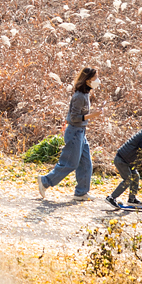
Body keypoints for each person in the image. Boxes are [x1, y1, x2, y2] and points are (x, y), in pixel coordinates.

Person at [37, 66, 101, 202]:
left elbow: (81, 114)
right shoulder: (79, 96)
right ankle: (45, 181)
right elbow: (74, 118)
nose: (98, 80)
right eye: (95, 78)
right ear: (87, 80)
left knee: (86, 163)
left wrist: (93, 112)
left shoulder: (86, 94)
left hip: (81, 132)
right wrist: (92, 115)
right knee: (70, 163)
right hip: (74, 132)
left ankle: (81, 193)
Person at [106, 114, 142, 208]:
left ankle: (132, 199)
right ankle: (111, 198)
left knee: (135, 176)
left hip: (128, 161)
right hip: (122, 160)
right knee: (128, 179)